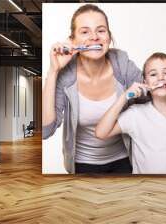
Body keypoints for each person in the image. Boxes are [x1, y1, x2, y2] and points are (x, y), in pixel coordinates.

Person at [42, 4, 143, 174]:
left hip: (124, 161)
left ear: (109, 38)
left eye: (101, 30)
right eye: (85, 32)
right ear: (72, 41)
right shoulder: (66, 76)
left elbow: (153, 102)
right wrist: (54, 71)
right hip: (82, 165)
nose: (94, 37)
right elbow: (46, 130)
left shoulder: (123, 65)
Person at [95, 52, 166, 174]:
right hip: (143, 190)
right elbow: (101, 132)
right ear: (145, 82)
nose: (160, 78)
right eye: (153, 74)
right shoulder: (135, 114)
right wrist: (124, 97)